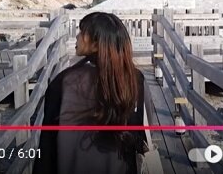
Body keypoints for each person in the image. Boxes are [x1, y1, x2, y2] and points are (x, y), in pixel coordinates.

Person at [33, 12, 155, 174]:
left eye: (82, 32)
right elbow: (142, 130)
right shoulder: (134, 79)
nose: (77, 37)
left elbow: (47, 144)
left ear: (97, 44)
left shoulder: (64, 82)